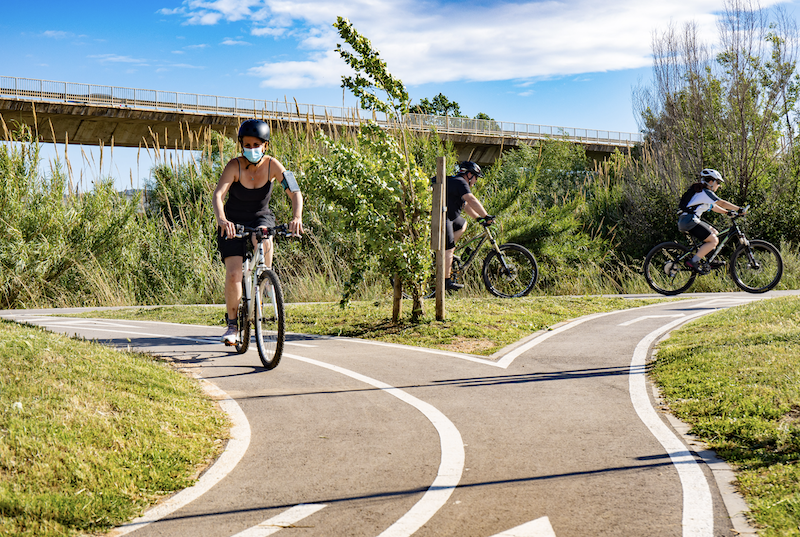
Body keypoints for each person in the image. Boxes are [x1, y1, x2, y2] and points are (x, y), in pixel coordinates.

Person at [212, 119, 304, 345]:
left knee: (264, 241)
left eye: (256, 145)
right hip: (232, 222)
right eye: (247, 144)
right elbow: (218, 195)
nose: (251, 149)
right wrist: (222, 219)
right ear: (241, 144)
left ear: (265, 145)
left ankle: (265, 280)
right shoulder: (234, 166)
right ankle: (232, 325)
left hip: (260, 217)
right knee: (234, 274)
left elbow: (295, 192)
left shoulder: (274, 166)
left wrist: (297, 217)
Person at [677, 168, 744, 273]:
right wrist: (739, 209)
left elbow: (713, 207)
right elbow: (721, 203)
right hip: (689, 220)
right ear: (711, 182)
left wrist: (727, 212)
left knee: (714, 233)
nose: (719, 185)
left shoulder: (702, 193)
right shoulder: (706, 192)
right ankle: (694, 261)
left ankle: (710, 260)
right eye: (718, 182)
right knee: (714, 240)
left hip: (688, 220)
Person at [444, 161, 494, 290]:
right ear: (469, 175)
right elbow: (471, 199)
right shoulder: (461, 182)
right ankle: (446, 281)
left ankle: (447, 254)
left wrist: (478, 218)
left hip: (450, 218)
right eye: (476, 177)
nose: (476, 181)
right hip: (443, 218)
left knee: (462, 223)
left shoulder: (455, 181)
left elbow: (465, 205)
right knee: (448, 249)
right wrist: (486, 216)